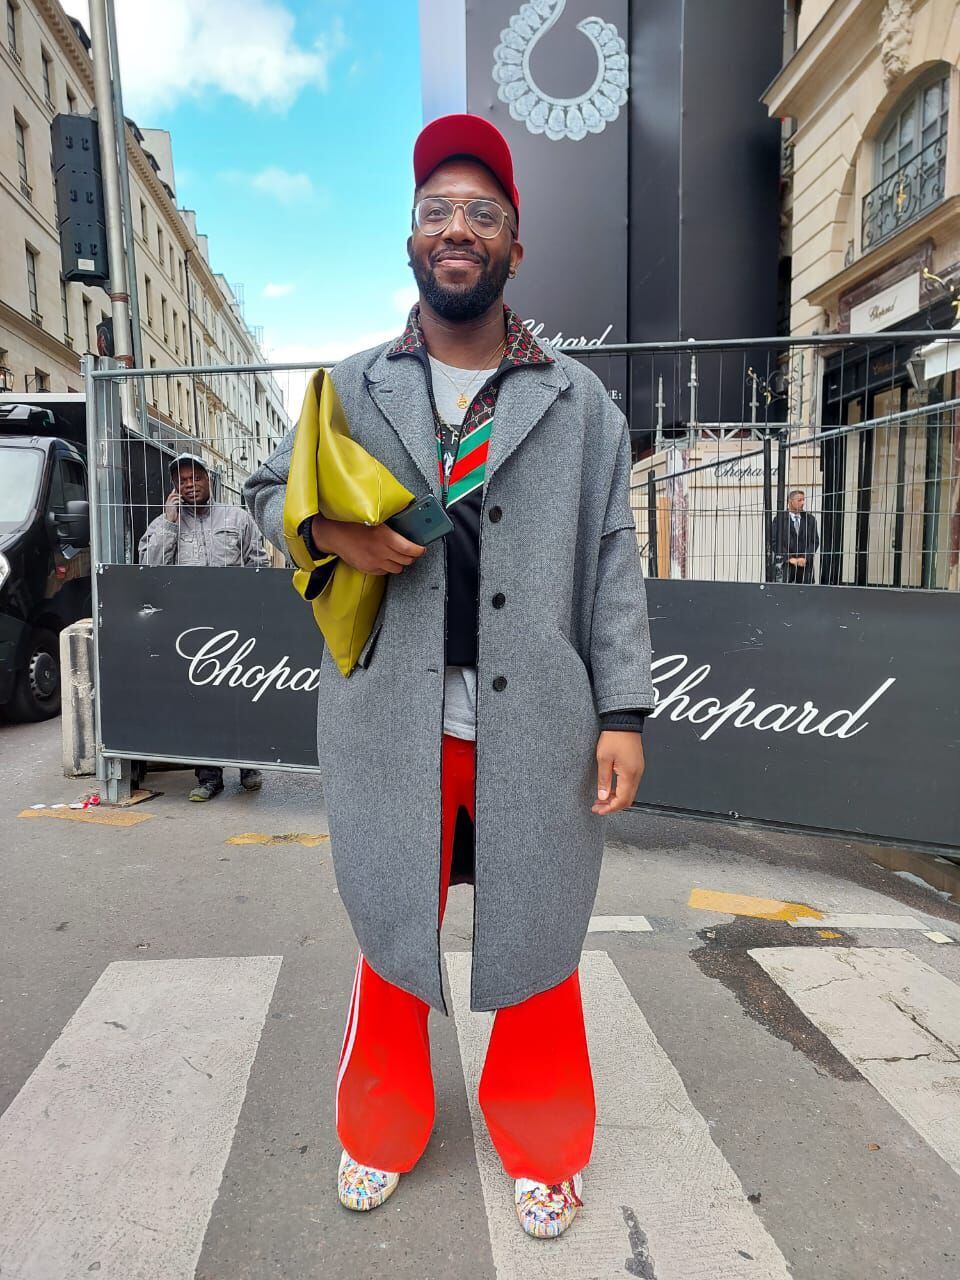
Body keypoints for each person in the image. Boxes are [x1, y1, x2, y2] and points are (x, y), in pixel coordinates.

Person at [245, 114, 654, 1239]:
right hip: (390, 717)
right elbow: (264, 500)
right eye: (437, 213)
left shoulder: (580, 404)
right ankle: (378, 1123)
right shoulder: (349, 385)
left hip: (541, 724)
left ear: (515, 247)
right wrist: (333, 530)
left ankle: (543, 1137)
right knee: (391, 933)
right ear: (411, 242)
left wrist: (622, 709)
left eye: (482, 213)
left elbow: (615, 562)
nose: (457, 230)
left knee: (538, 939)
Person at [139, 452, 268, 801]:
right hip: (191, 631)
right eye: (182, 480)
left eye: (195, 477)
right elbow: (150, 569)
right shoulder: (164, 523)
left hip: (236, 625)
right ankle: (208, 777)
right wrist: (168, 523)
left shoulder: (238, 517)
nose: (189, 484)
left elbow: (260, 565)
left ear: (208, 479)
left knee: (241, 698)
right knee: (201, 702)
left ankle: (249, 768)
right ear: (174, 487)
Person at [771, 488, 819, 584]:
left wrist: (805, 557)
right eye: (799, 500)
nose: (803, 503)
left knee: (805, 594)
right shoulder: (779, 519)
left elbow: (814, 541)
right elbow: (774, 541)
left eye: (803, 500)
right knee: (783, 593)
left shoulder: (810, 519)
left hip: (805, 566)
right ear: (790, 501)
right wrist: (789, 558)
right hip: (785, 566)